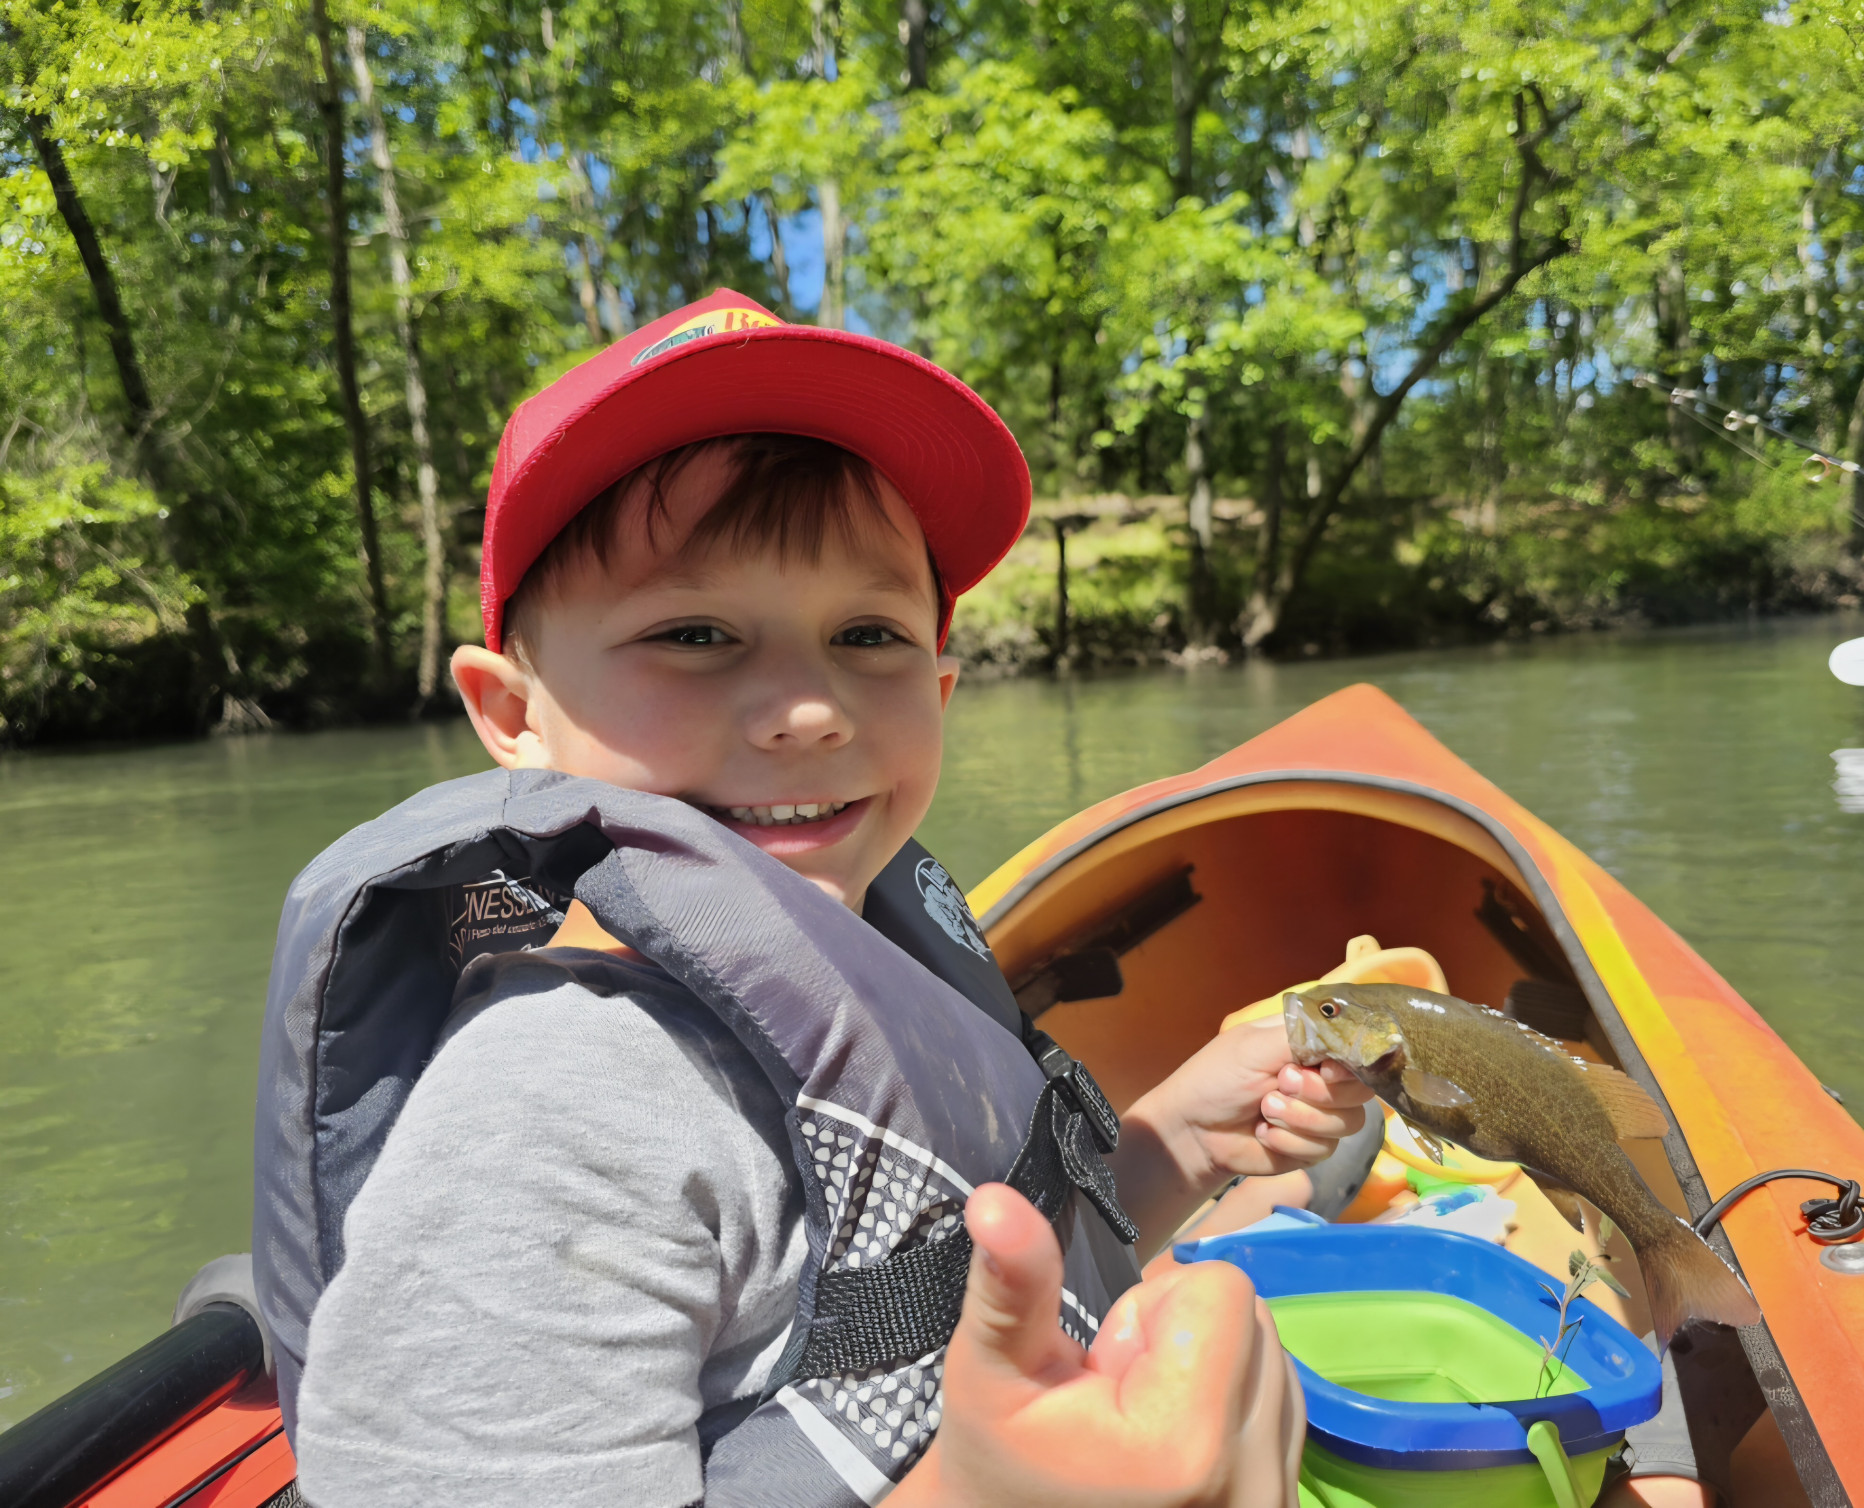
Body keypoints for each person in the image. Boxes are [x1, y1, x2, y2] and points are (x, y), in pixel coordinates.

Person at [258, 290, 1370, 1507]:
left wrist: (1178, 1143)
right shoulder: (545, 1120)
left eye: (867, 633)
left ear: (938, 687)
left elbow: (938, 1281)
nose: (810, 708)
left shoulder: (869, 961)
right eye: (694, 633)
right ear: (514, 714)